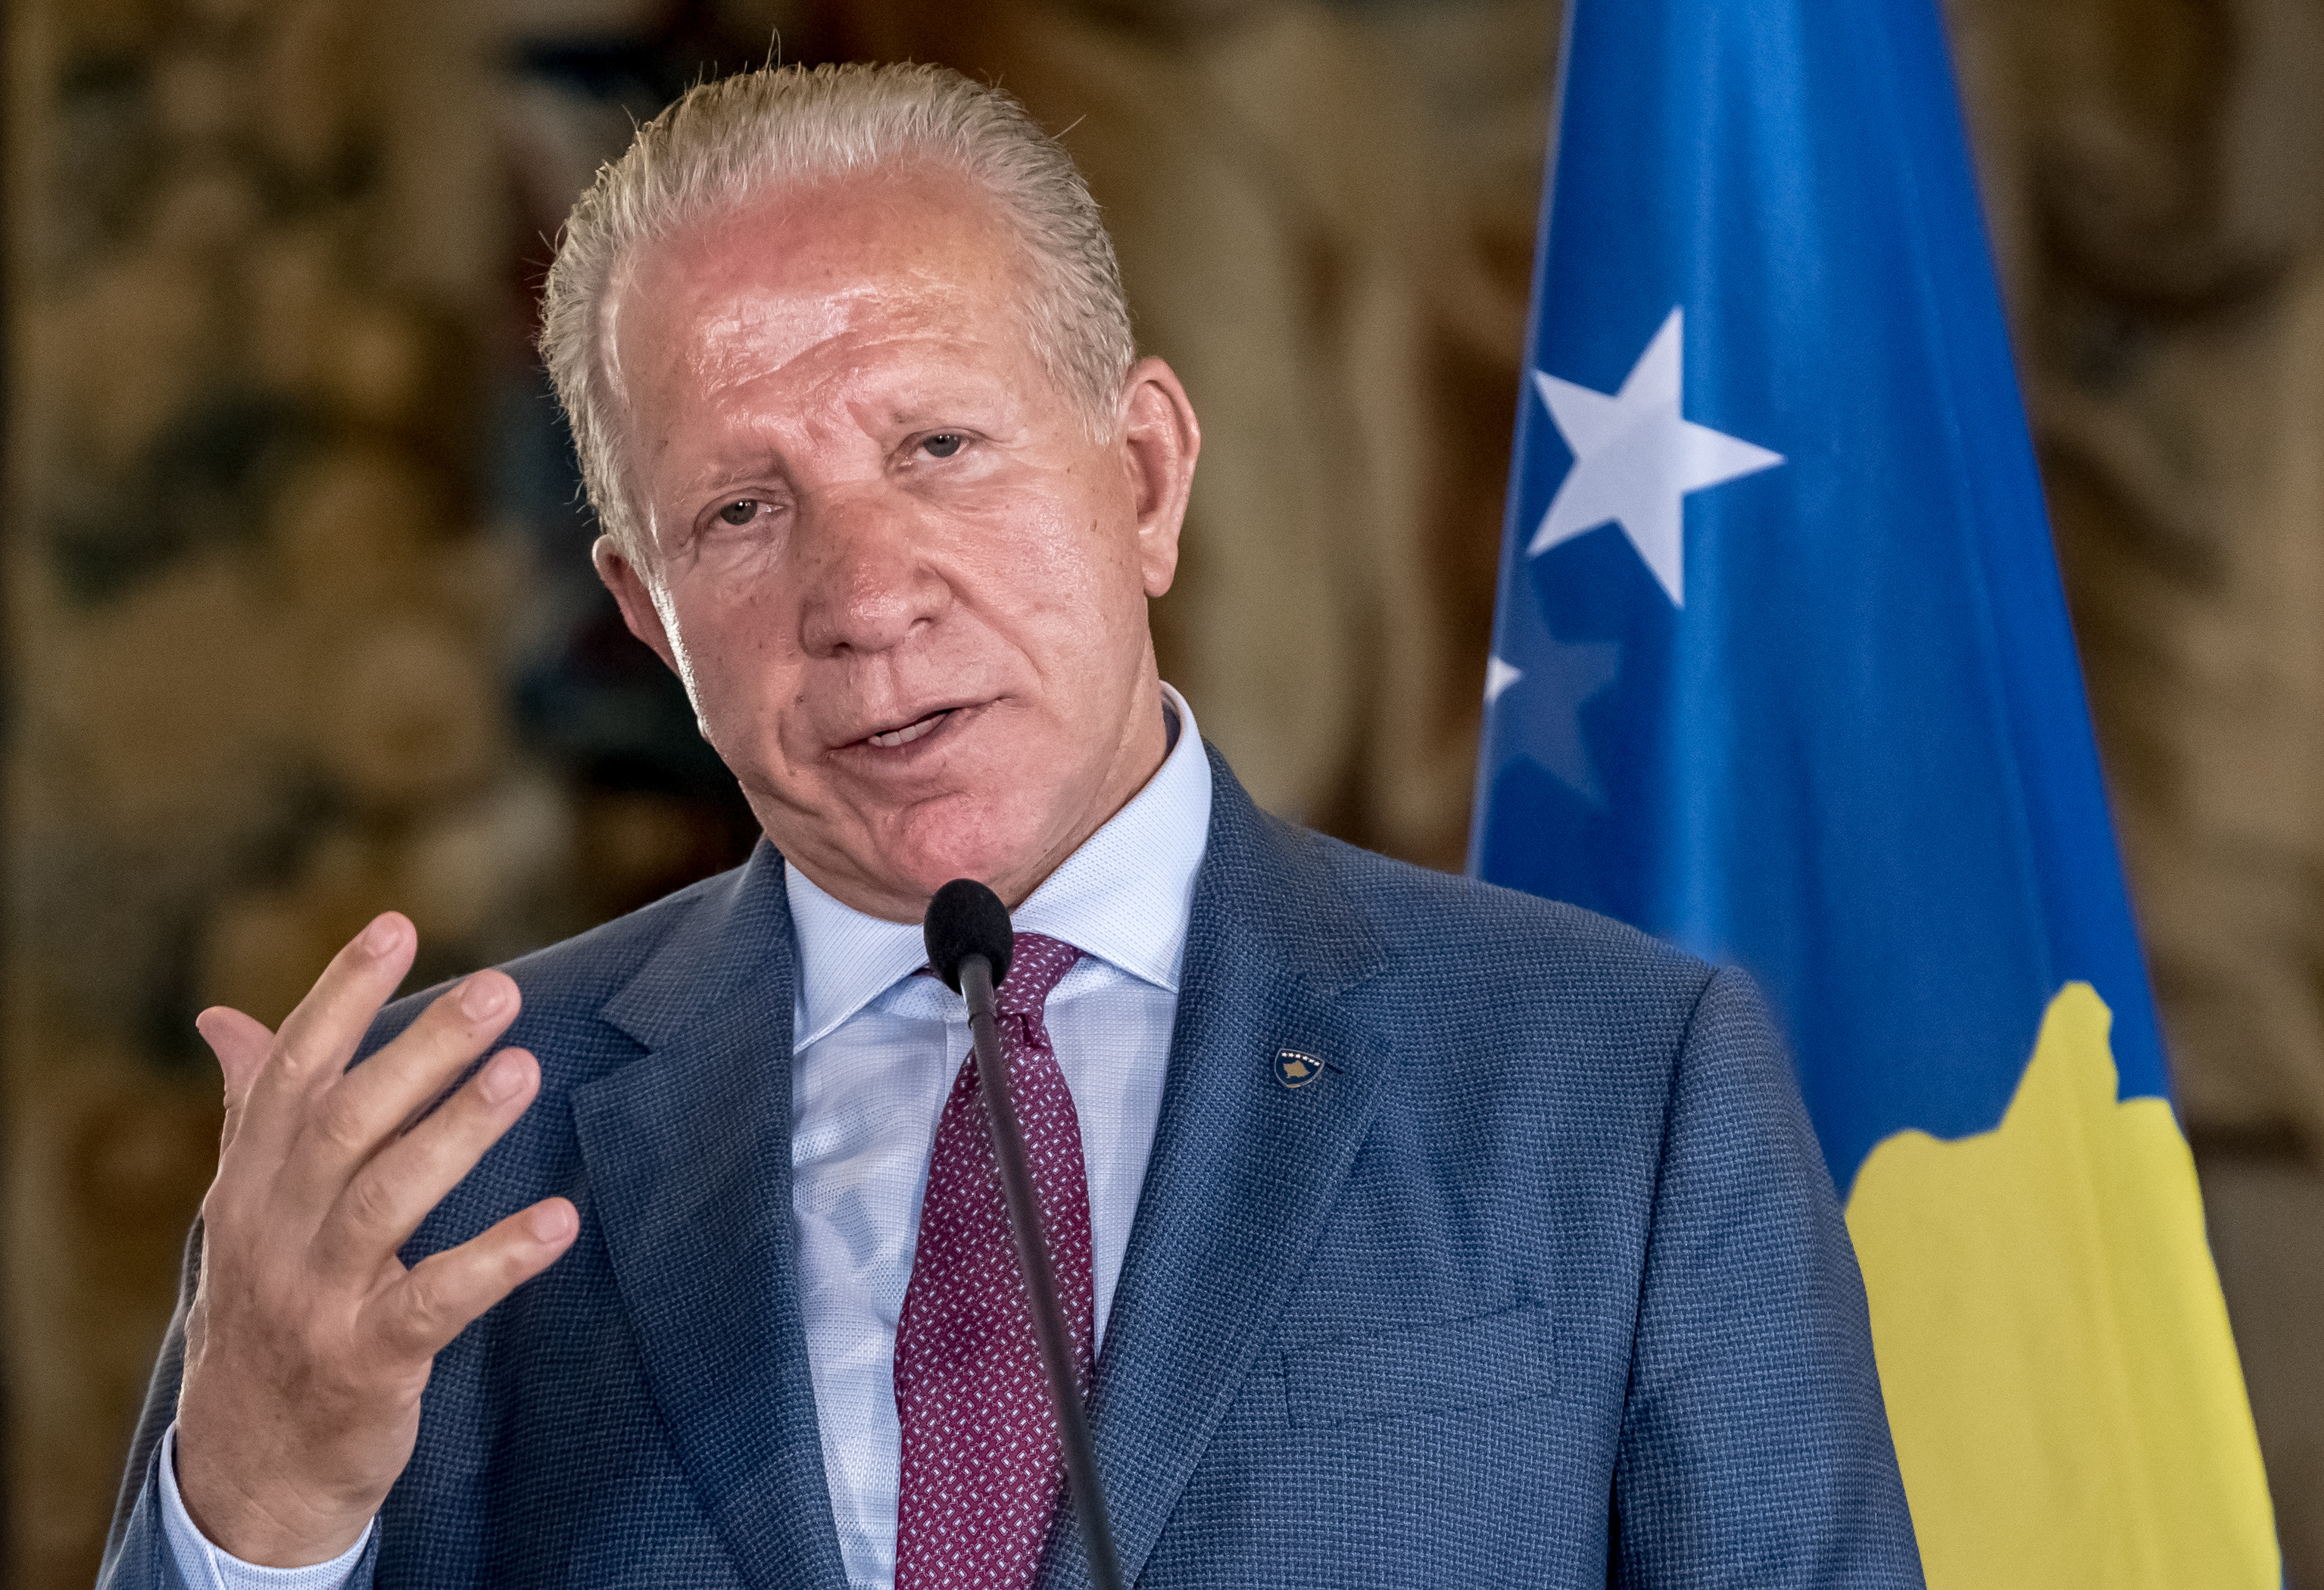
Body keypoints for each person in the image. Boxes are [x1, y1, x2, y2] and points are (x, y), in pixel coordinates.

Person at [99, 62, 1923, 1590]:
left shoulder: (1619, 1082)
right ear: (648, 618)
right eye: (740, 512)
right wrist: (260, 1515)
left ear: (1145, 477)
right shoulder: (414, 1163)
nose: (863, 595)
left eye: (938, 448)